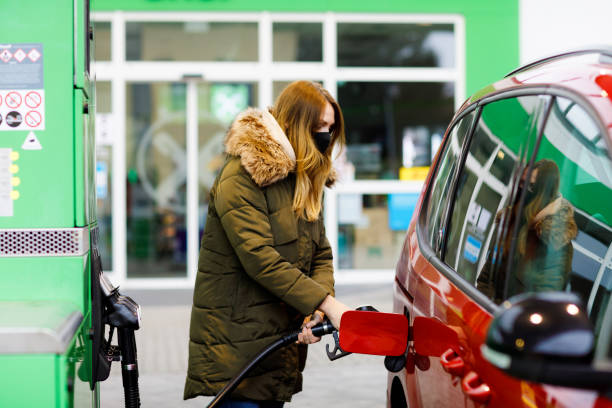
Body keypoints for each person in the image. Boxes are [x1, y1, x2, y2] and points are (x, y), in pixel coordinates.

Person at [184, 81, 351, 407]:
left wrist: (316, 309)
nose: (325, 136)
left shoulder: (301, 179)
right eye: (318, 127)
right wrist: (329, 305)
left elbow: (320, 252)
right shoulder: (243, 174)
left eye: (330, 128)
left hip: (275, 343)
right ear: (294, 123)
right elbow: (259, 257)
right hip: (240, 347)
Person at [477, 159, 578, 302]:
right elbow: (486, 280)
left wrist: (501, 315)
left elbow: (540, 305)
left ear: (545, 194)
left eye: (531, 186)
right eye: (521, 183)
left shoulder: (557, 245)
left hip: (514, 322)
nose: (523, 191)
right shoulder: (512, 222)